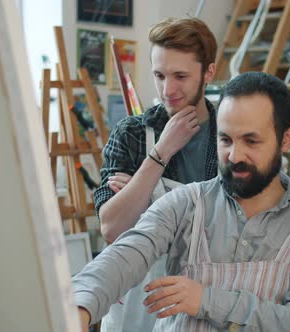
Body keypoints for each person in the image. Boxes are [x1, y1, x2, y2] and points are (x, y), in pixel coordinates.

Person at [73, 72, 290, 331]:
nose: (235, 155)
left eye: (251, 140)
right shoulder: (185, 203)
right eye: (225, 139)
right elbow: (125, 255)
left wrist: (206, 300)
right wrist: (79, 306)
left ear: (287, 138)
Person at [93, 17, 219, 331]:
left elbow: (239, 228)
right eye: (159, 75)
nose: (168, 90)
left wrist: (146, 201)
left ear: (209, 73)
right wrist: (160, 152)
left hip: (206, 304)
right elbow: (111, 227)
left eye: (180, 76)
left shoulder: (229, 137)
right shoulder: (132, 134)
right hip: (137, 308)